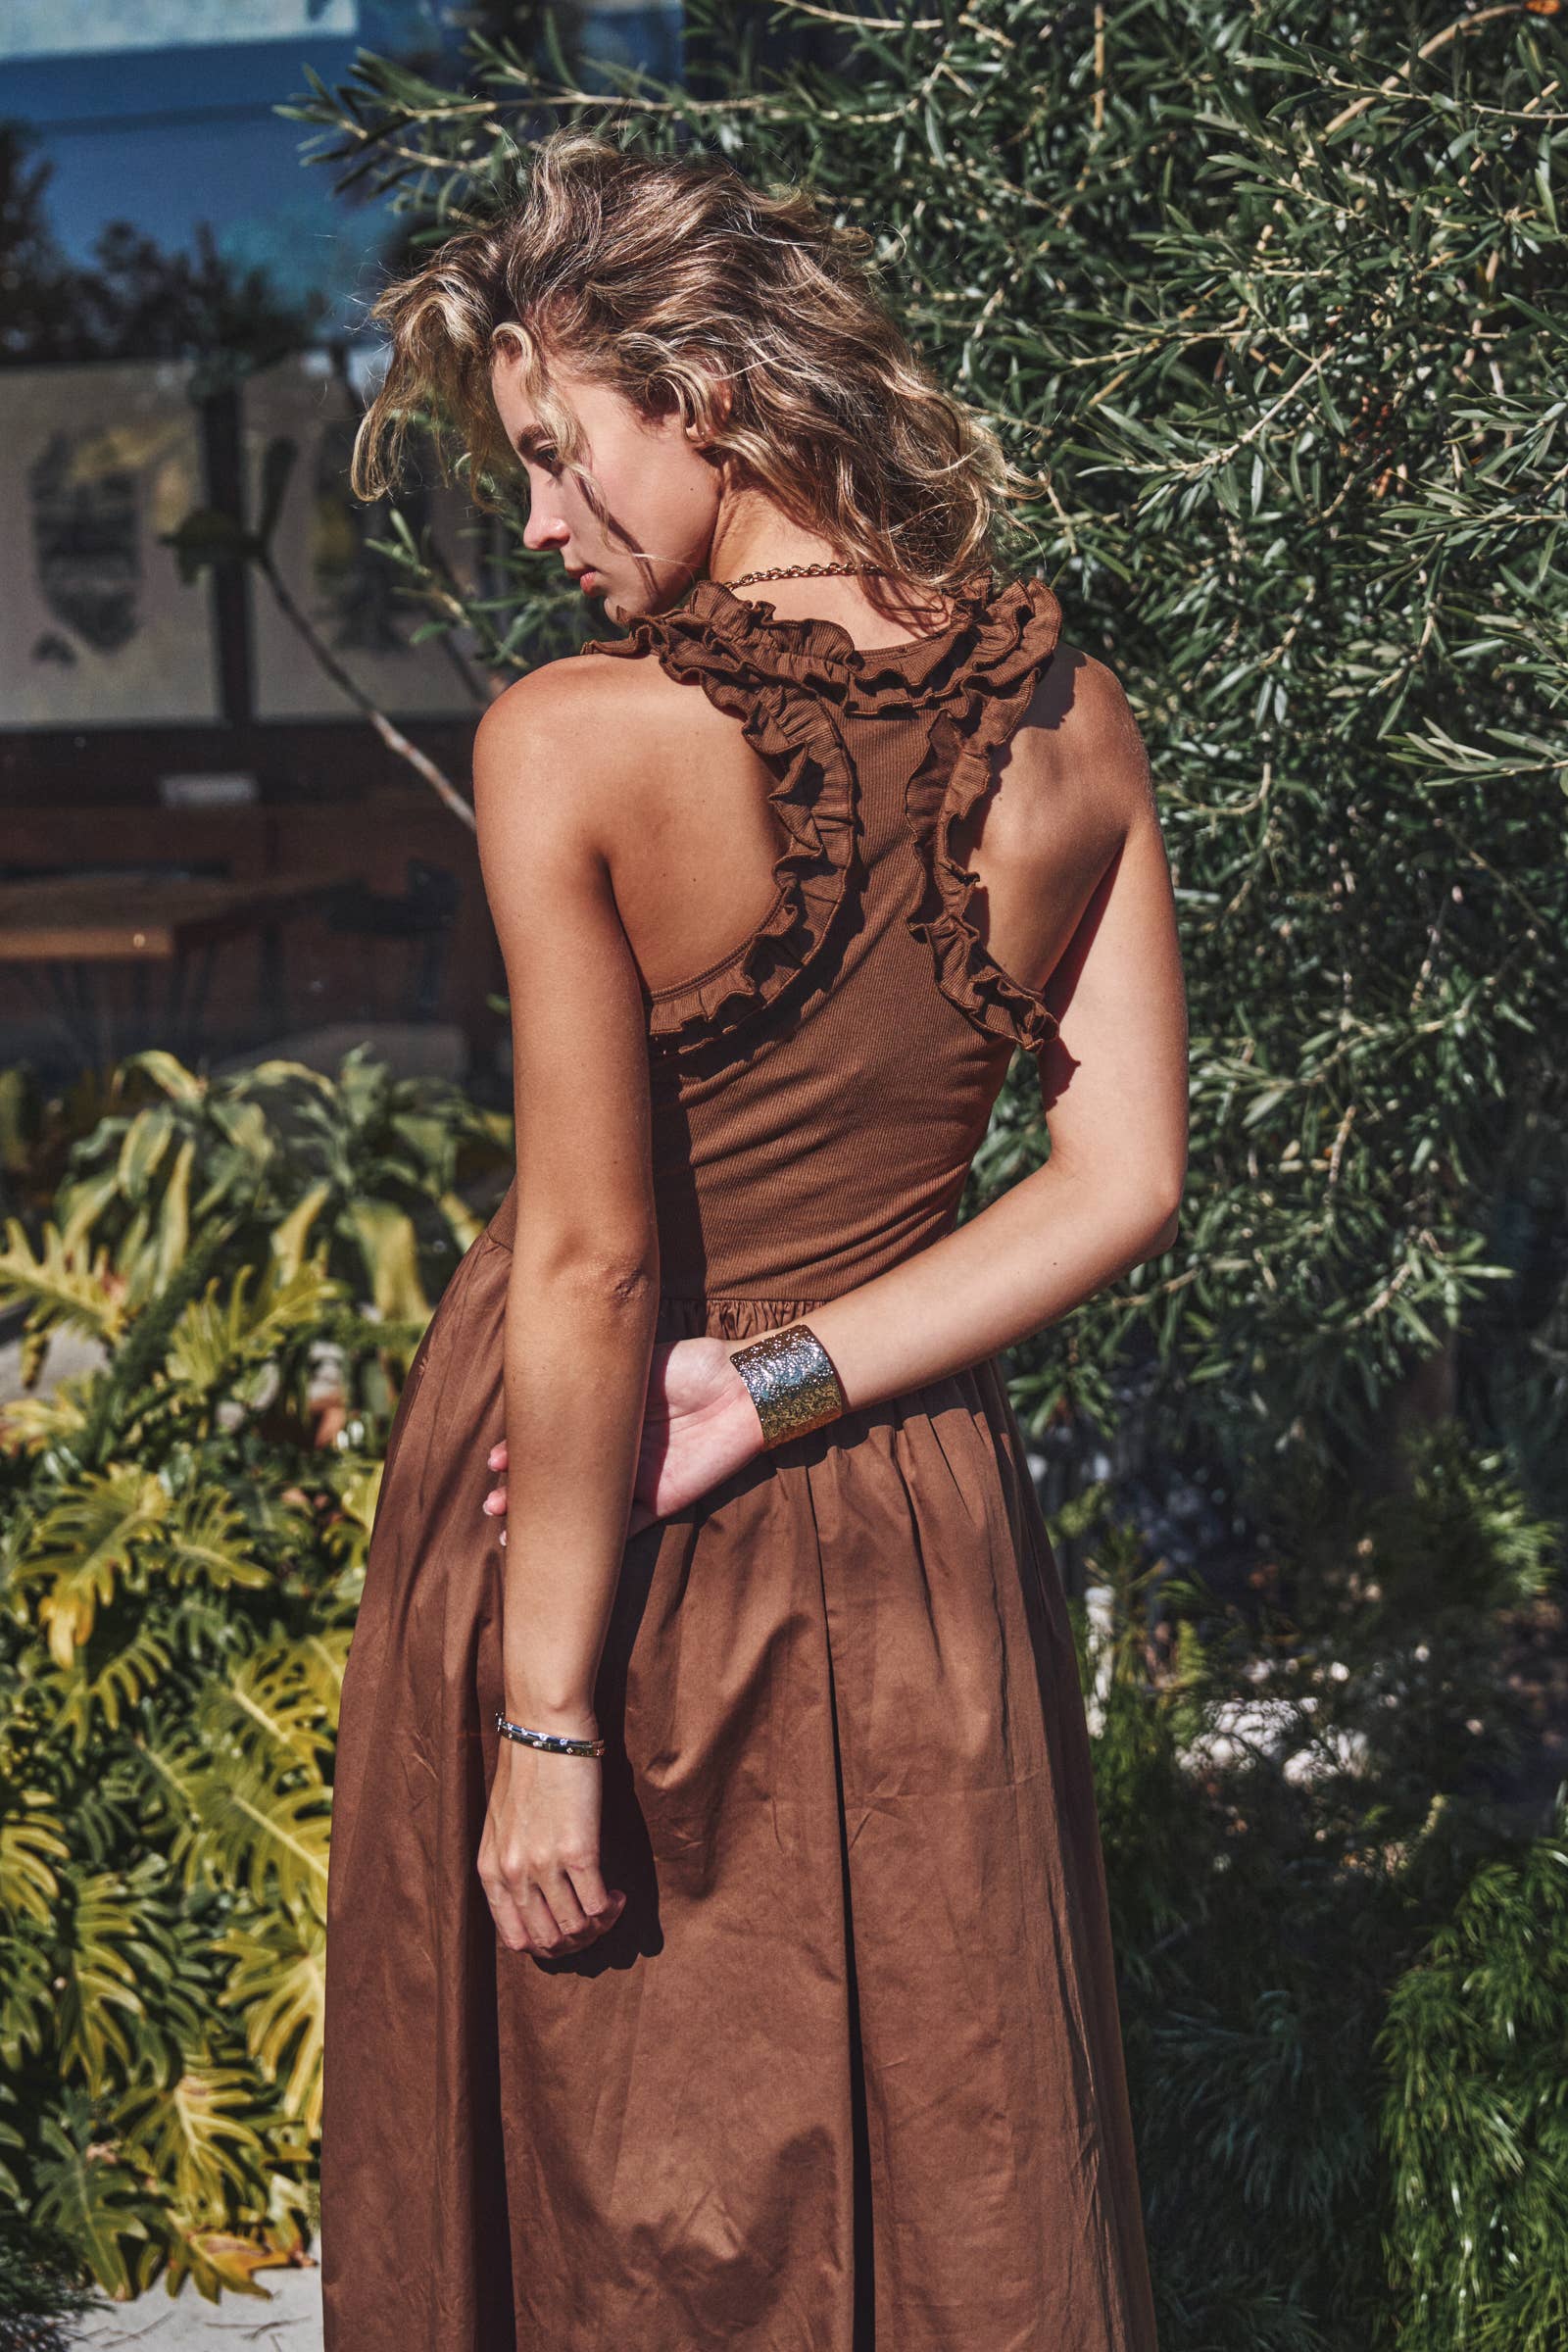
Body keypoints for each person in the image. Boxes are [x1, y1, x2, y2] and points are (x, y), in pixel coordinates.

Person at [319, 125, 1183, 2352]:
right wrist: (787, 1387)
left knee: (607, 2187)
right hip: (910, 1513)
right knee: (949, 2135)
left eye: (553, 453)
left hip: (587, 1507)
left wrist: (541, 1720)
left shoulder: (571, 743)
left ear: (699, 397)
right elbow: (1120, 1181)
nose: (537, 525)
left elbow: (596, 1269)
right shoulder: (1074, 720)